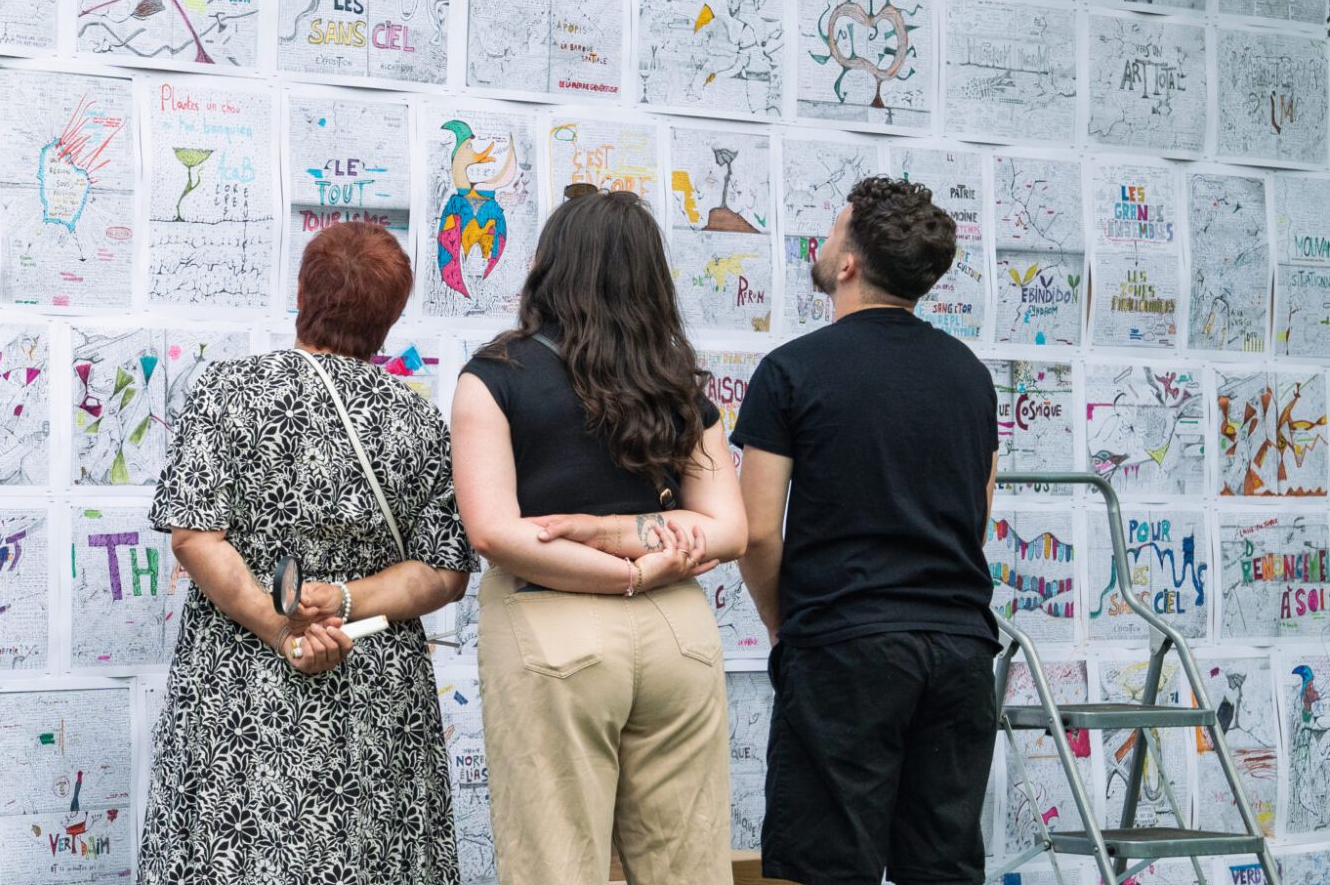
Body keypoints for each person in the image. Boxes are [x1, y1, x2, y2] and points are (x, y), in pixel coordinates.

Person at [139, 221, 475, 885]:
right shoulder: (417, 423)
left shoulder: (225, 391)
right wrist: (345, 602)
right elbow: (445, 571)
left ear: (303, 290)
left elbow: (194, 537)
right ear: (390, 316)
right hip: (373, 691)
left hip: (237, 694)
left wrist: (281, 628)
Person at [449, 188, 748, 884]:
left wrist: (607, 560)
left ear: (548, 267)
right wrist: (643, 565)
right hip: (679, 634)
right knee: (689, 868)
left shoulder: (494, 377)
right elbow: (728, 527)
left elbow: (494, 533)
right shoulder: (676, 385)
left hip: (552, 628)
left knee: (557, 863)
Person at [734, 176, 1000, 885]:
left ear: (848, 263)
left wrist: (784, 623)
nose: (821, 244)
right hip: (961, 651)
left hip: (845, 650)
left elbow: (757, 532)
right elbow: (976, 519)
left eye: (832, 230)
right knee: (941, 867)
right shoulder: (970, 376)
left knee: (826, 868)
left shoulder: (792, 370)